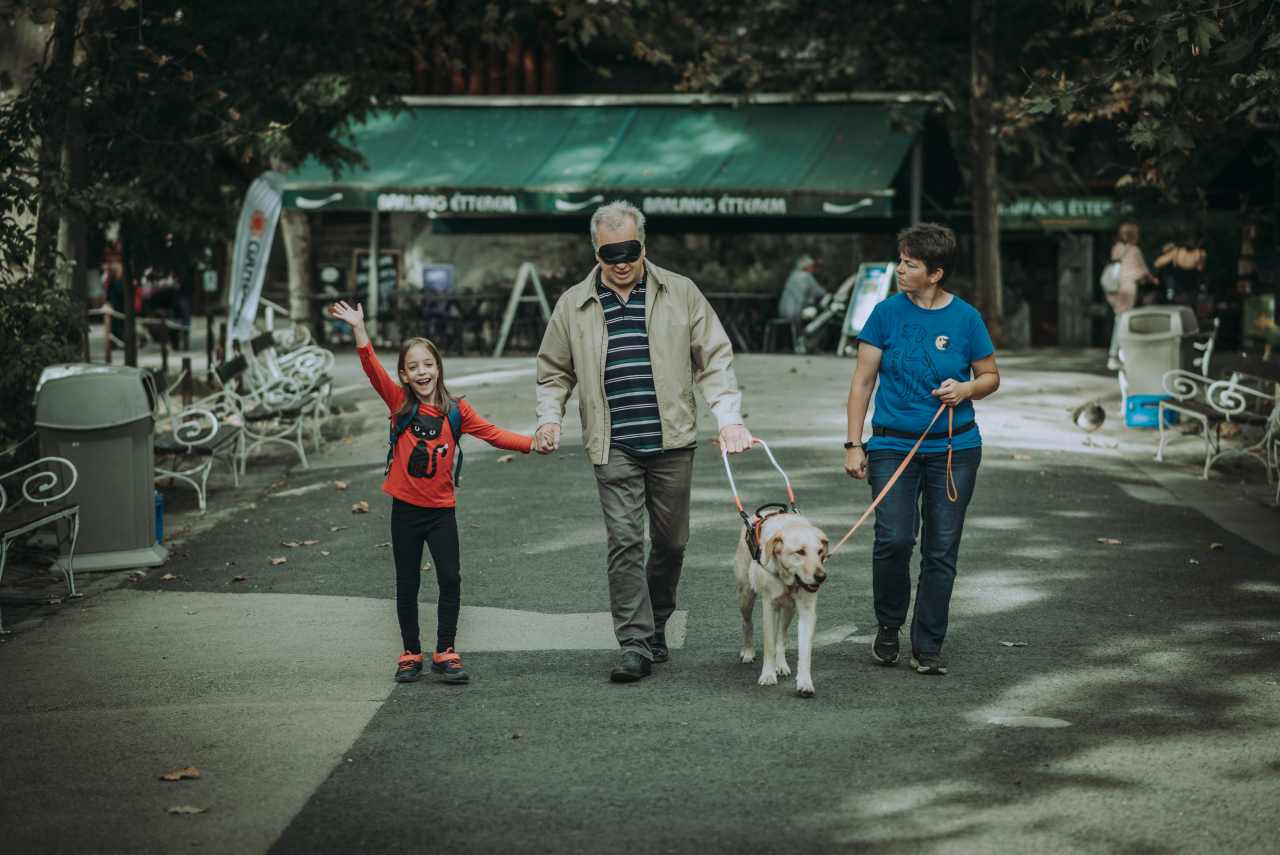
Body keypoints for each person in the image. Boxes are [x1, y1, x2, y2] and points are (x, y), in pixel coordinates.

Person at [534, 200, 752, 683]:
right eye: (610, 254)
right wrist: (550, 419)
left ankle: (656, 621)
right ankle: (635, 642)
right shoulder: (573, 304)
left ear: (644, 246)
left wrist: (729, 419)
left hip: (672, 441)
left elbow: (714, 359)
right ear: (596, 253)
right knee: (626, 541)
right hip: (612, 443)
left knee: (671, 544)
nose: (621, 262)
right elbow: (553, 372)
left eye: (630, 251)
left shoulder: (681, 292)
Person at [329, 300, 546, 684]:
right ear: (404, 375)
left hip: (441, 511)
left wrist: (532, 443)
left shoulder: (457, 410)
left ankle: (445, 650)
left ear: (438, 368)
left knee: (450, 578)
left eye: (428, 364)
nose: (422, 372)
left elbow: (493, 434)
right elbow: (371, 368)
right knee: (407, 583)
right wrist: (359, 329)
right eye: (413, 367)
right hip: (405, 511)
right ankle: (410, 652)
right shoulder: (399, 403)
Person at [843, 222, 1000, 676]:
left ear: (935, 273)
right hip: (892, 445)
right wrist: (853, 444)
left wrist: (967, 389)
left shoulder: (966, 318)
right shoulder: (885, 314)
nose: (899, 270)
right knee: (894, 539)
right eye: (901, 261)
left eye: (910, 264)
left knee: (941, 550)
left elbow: (991, 376)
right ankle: (889, 625)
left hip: (954, 448)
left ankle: (928, 643)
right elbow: (862, 382)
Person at [1106, 222, 1158, 370]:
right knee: (1122, 322)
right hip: (1127, 290)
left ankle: (1119, 355)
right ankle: (1114, 356)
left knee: (1120, 320)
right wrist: (1153, 280)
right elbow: (1142, 272)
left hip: (1114, 289)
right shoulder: (1134, 251)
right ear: (1133, 235)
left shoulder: (1117, 249)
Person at [776, 254, 830, 353]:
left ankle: (802, 341)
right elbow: (819, 292)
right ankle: (808, 344)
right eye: (812, 266)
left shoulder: (792, 275)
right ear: (807, 267)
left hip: (783, 311)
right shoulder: (807, 276)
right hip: (797, 312)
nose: (813, 269)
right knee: (823, 318)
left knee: (812, 315)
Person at [1153, 231, 1207, 307]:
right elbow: (1200, 270)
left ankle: (1169, 292)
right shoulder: (1200, 254)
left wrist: (1165, 252)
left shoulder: (1177, 252)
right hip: (1188, 291)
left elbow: (1157, 264)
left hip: (1180, 291)